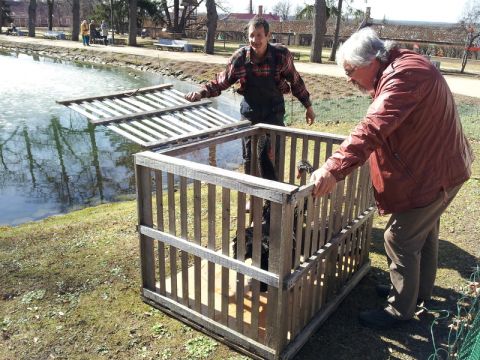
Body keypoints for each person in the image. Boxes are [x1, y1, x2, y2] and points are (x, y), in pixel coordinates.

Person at [310, 27, 474, 329]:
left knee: (398, 238)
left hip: (433, 174)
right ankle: (415, 292)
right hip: (438, 169)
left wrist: (333, 167)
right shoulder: (400, 66)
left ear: (371, 60)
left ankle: (401, 309)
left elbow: (373, 127)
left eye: (350, 71)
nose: (348, 79)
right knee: (422, 234)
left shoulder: (402, 76)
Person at [185, 16, 315, 183]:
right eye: (252, 35)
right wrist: (200, 93)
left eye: (259, 35)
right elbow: (221, 82)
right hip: (250, 112)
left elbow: (295, 81)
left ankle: (274, 189)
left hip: (274, 112)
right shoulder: (240, 58)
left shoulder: (281, 56)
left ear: (268, 36)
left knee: (273, 153)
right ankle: (251, 195)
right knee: (249, 154)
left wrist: (308, 106)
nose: (255, 40)